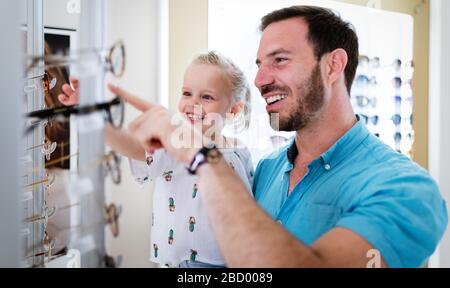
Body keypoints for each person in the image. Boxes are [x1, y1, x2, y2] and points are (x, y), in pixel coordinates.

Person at [110, 5, 448, 268]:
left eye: (280, 60)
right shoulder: (267, 169)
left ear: (332, 66)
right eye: (259, 64)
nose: (259, 79)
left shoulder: (407, 191)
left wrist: (201, 155)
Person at [59, 51, 254, 268]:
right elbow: (133, 146)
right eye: (187, 93)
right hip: (187, 262)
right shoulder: (174, 142)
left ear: (235, 109)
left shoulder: (241, 151)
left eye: (206, 97)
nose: (192, 104)